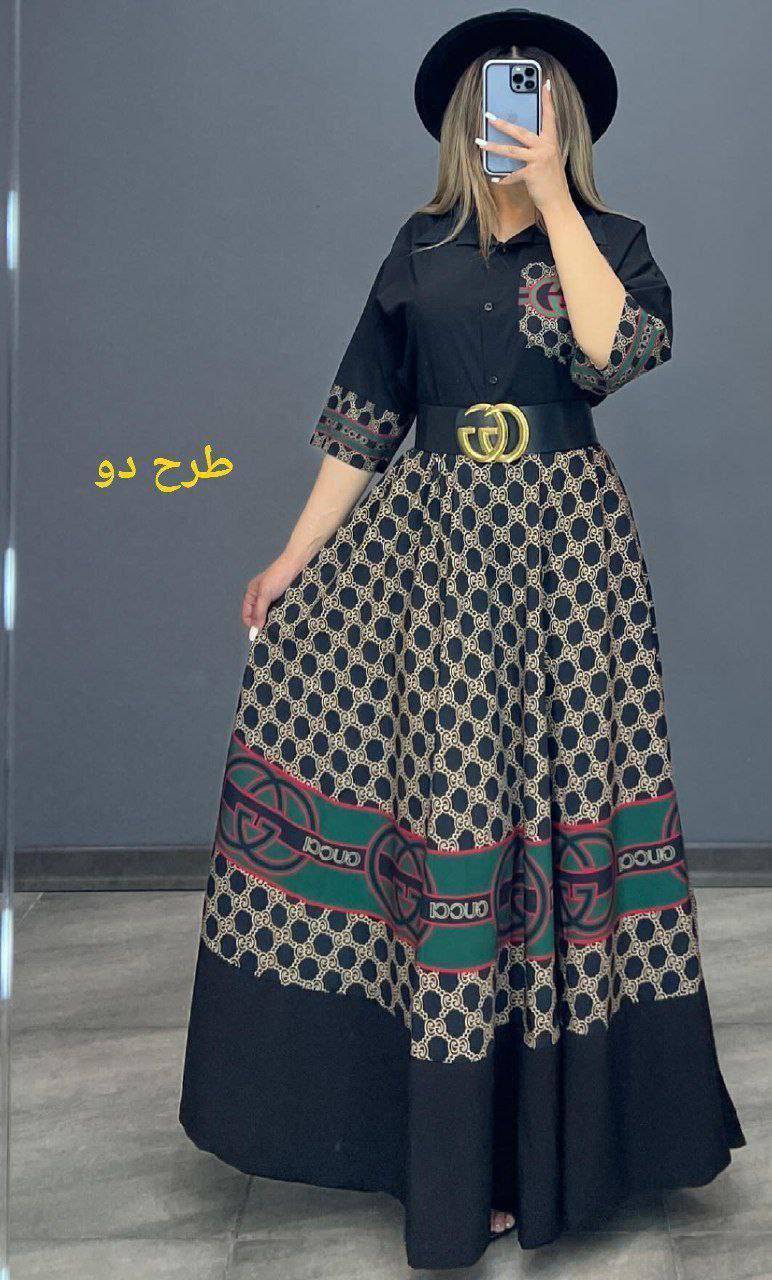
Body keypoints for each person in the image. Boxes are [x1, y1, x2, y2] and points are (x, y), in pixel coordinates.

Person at [179, 9, 745, 1269]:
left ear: (561, 118)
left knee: (560, 817)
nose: (511, 116)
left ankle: (560, 1147)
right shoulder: (418, 245)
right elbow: (364, 413)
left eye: (531, 99)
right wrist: (294, 552)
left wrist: (553, 199)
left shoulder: (612, 241)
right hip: (431, 559)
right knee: (454, 821)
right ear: (462, 119)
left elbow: (613, 352)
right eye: (495, 101)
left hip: (568, 563)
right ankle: (453, 1147)